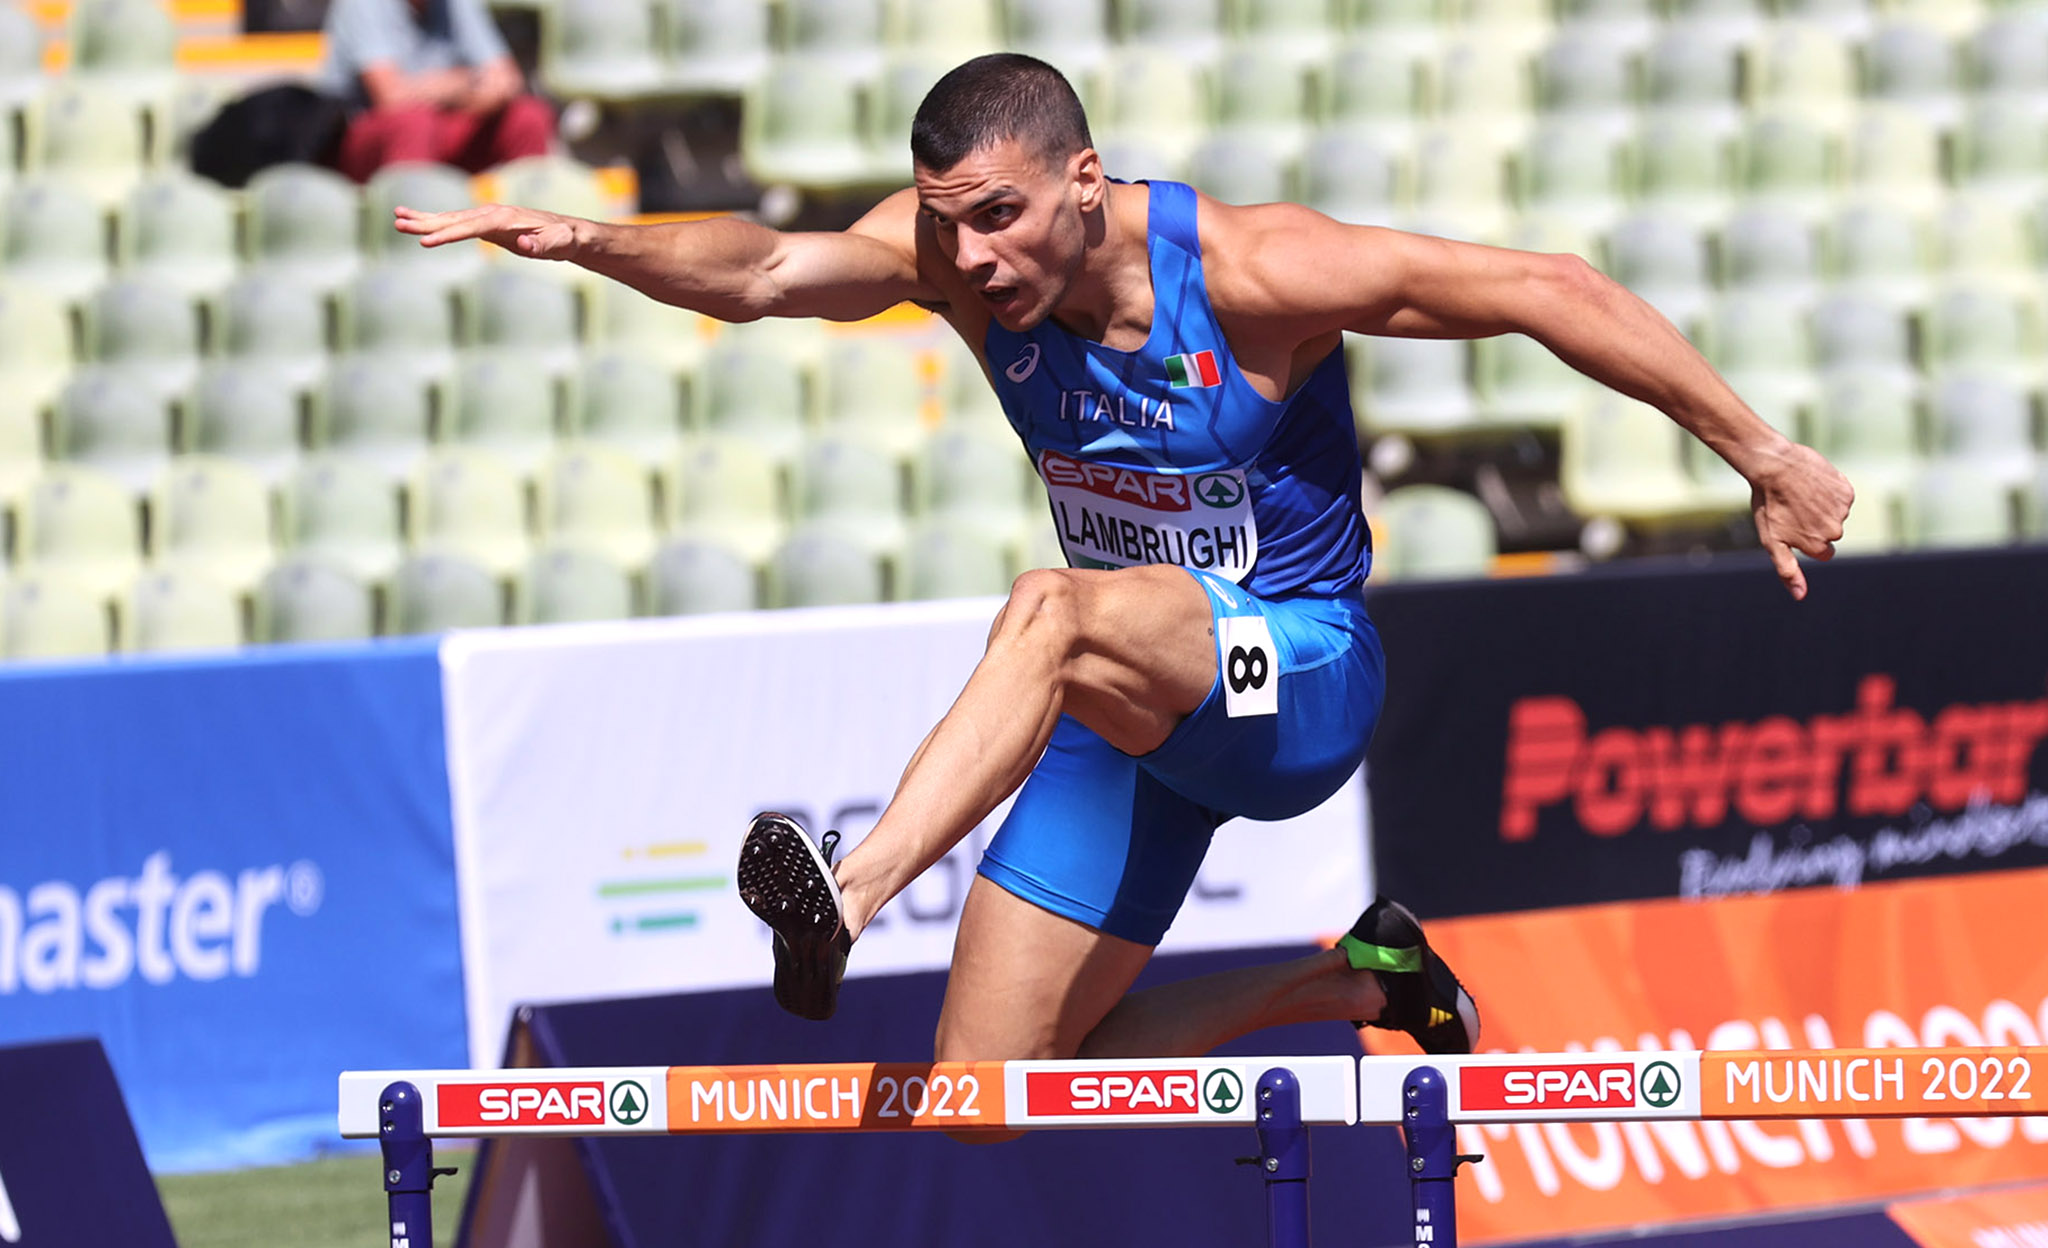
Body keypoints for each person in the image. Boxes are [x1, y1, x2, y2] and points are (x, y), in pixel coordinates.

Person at [396, 53, 1852, 1066]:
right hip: (1135, 698)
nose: (972, 261)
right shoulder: (960, 267)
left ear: (1084, 182)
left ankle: (849, 895)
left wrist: (1763, 454)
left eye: (1001, 218)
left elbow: (1547, 287)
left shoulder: (1254, 273)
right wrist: (585, 236)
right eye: (949, 227)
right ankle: (1359, 981)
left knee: (1048, 609)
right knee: (992, 1091)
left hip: (1299, 671)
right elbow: (768, 271)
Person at [323, 0, 553, 182]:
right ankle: (412, 222)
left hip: (443, 123)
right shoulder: (361, 5)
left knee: (527, 115)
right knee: (414, 124)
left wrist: (449, 87)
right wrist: (467, 82)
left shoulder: (457, 4)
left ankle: (531, 221)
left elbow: (507, 81)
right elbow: (390, 97)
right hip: (362, 143)